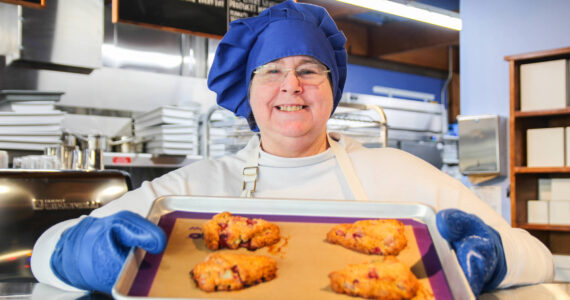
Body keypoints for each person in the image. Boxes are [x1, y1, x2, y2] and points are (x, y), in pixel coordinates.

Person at [31, 0, 553, 297]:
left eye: (309, 70)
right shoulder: (195, 188)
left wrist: (493, 259)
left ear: (332, 88)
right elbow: (43, 251)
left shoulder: (403, 178)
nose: (291, 86)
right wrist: (87, 254)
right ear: (248, 91)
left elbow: (540, 257)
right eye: (272, 72)